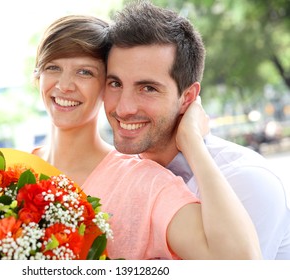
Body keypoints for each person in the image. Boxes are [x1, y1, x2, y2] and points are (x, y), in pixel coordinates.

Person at [32, 14, 261, 260]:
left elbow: (241, 262)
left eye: (85, 72)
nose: (65, 85)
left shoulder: (144, 182)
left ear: (104, 86)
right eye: (52, 67)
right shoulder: (7, 170)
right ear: (37, 77)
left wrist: (192, 141)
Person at [104, 0, 290, 259]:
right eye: (115, 83)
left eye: (148, 88)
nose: (123, 108)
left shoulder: (246, 181)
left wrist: (191, 142)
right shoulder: (118, 176)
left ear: (188, 97)